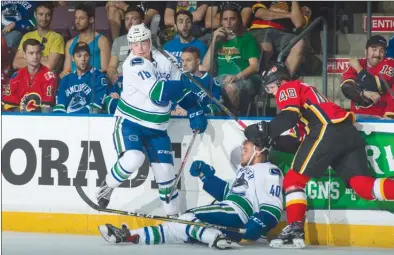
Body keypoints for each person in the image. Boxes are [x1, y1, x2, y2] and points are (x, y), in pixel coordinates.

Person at [244, 62, 394, 249]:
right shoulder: (305, 98)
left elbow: (289, 117)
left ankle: (295, 228)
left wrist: (265, 129)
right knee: (364, 187)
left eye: (271, 87)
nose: (272, 93)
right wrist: (270, 140)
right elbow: (300, 142)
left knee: (293, 180)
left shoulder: (288, 87)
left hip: (326, 129)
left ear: (280, 81)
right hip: (346, 132)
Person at [96, 24, 208, 217]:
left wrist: (194, 109)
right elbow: (159, 93)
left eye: (143, 42)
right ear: (130, 46)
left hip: (157, 128)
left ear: (150, 42)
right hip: (131, 122)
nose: (140, 47)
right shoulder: (133, 65)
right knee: (134, 158)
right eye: (135, 43)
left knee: (166, 174)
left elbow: (179, 88)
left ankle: (174, 218)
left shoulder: (166, 60)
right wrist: (186, 91)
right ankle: (107, 186)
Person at [98, 138, 283, 249]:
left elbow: (273, 205)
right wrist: (207, 176)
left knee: (187, 217)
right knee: (175, 226)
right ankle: (129, 235)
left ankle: (213, 237)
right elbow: (229, 193)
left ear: (258, 151)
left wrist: (259, 224)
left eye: (246, 149)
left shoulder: (269, 170)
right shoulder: (245, 171)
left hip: (238, 214)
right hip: (229, 210)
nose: (242, 153)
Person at [202, 2, 260, 116]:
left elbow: (254, 66)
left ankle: (234, 116)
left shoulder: (247, 38)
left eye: (232, 19)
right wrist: (214, 40)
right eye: (225, 19)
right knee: (201, 85)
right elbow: (205, 68)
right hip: (221, 79)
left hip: (244, 79)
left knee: (230, 88)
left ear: (239, 20)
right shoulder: (218, 39)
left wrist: (236, 76)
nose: (228, 23)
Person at [249, 1, 311, 76]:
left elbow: (298, 23)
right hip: (260, 29)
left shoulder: (302, 4)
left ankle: (283, 79)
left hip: (283, 33)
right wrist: (289, 14)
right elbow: (260, 13)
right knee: (266, 48)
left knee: (299, 43)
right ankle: (259, 78)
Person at [341, 35, 394, 119]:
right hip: (356, 116)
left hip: (380, 117)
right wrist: (363, 93)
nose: (377, 54)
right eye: (374, 49)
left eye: (381, 51)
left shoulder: (389, 63)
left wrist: (358, 69)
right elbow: (346, 88)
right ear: (366, 51)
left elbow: (378, 86)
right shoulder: (359, 62)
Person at [1, 39, 57, 112]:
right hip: (20, 119)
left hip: (41, 118)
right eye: (31, 53)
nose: (35, 57)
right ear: (24, 55)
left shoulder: (49, 76)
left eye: (38, 53)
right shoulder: (17, 76)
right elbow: (10, 106)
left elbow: (47, 108)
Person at [53, 42, 108, 114]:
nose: (83, 59)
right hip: (67, 121)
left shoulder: (98, 77)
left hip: (88, 120)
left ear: (90, 57)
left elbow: (95, 106)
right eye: (79, 56)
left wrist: (75, 117)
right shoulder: (66, 80)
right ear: (73, 58)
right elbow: (60, 106)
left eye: (86, 55)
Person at [60, 2, 111, 78]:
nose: (77, 22)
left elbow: (105, 70)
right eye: (76, 18)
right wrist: (63, 74)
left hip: (94, 81)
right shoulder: (70, 43)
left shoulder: (102, 41)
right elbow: (67, 69)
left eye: (82, 18)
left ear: (91, 20)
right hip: (74, 83)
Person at [13, 2, 65, 71]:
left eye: (48, 15)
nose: (44, 18)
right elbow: (16, 63)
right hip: (27, 77)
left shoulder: (57, 38)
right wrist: (43, 58)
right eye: (41, 14)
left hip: (46, 78)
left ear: (51, 16)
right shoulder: (27, 36)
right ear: (35, 15)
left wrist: (29, 58)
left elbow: (49, 66)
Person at [177, 46, 221, 116]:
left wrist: (192, 112)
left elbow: (215, 108)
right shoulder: (180, 78)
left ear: (198, 61)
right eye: (182, 61)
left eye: (188, 60)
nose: (184, 64)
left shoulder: (211, 81)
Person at [107, 6, 145, 85]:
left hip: (141, 80)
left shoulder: (149, 40)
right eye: (127, 19)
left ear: (142, 21)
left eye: (134, 19)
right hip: (121, 82)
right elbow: (112, 66)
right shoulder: (118, 41)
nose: (129, 22)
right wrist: (113, 75)